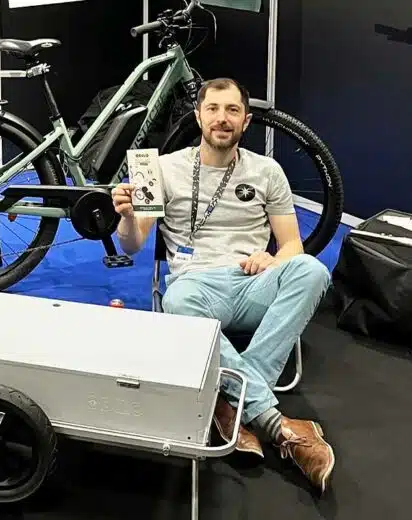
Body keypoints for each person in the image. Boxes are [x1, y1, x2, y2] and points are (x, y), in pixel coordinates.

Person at [111, 78, 335, 494]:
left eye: (232, 110)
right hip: (195, 287)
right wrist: (125, 216)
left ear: (246, 121)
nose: (222, 118)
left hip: (252, 281)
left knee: (312, 271)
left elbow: (292, 246)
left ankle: (232, 402)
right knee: (177, 297)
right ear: (198, 116)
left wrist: (273, 257)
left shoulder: (268, 171)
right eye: (213, 108)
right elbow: (132, 243)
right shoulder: (156, 168)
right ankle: (274, 421)